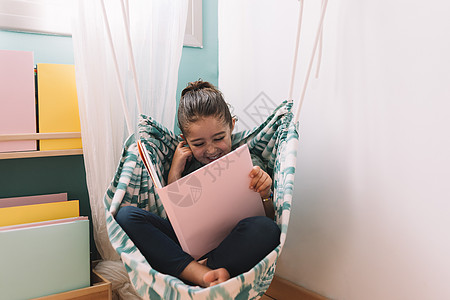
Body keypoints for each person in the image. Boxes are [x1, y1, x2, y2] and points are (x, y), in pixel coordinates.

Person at [115, 81, 280, 288]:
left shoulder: (249, 162)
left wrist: (265, 192)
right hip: (184, 247)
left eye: (219, 138)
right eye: (199, 144)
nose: (211, 150)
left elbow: (269, 215)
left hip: (228, 247)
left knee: (267, 229)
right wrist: (175, 171)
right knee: (127, 216)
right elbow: (172, 214)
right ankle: (198, 273)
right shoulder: (186, 165)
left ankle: (198, 272)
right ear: (185, 140)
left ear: (232, 126)